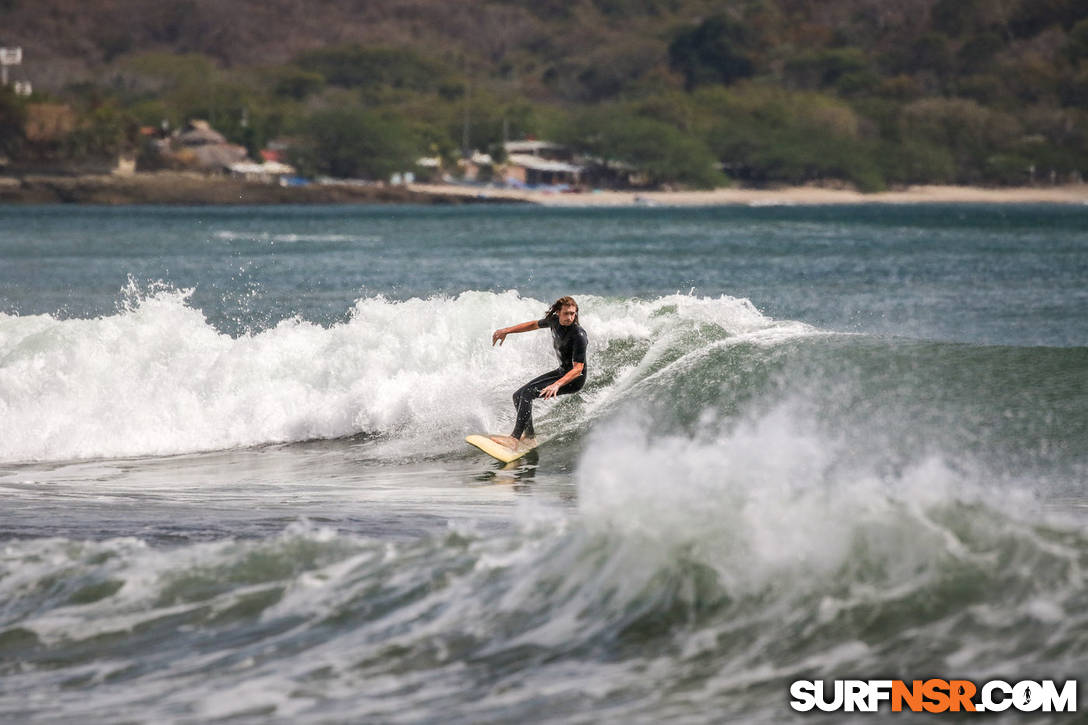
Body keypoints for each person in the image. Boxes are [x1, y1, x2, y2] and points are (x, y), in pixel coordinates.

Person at [490, 296, 588, 451]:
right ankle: (529, 437)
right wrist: (507, 330)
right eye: (566, 313)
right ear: (558, 312)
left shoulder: (579, 335)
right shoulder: (554, 321)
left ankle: (514, 439)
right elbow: (533, 324)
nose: (570, 317)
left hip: (574, 380)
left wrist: (556, 385)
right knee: (517, 396)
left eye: (572, 313)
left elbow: (578, 369)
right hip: (561, 371)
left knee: (527, 393)